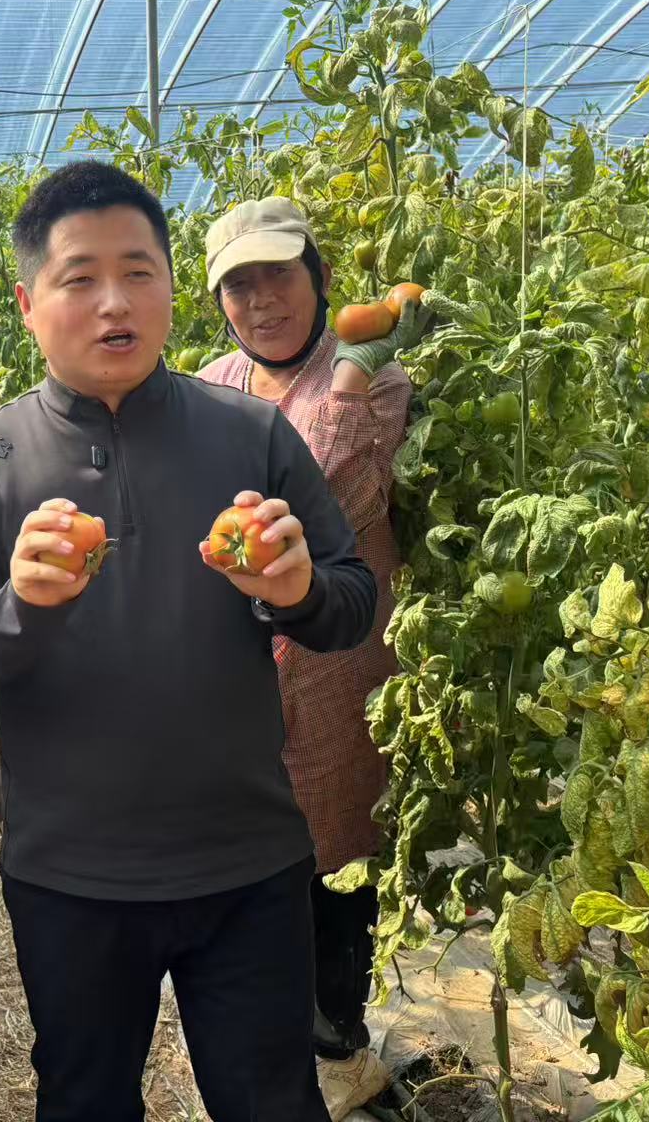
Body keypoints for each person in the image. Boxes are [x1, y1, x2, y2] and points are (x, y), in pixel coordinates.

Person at [0, 161, 378, 1122]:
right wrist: (19, 605)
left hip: (247, 861)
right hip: (70, 875)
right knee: (86, 1102)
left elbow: (351, 602)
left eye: (138, 272)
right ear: (28, 304)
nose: (113, 303)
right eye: (79, 278)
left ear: (168, 289)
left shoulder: (250, 436)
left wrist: (295, 591)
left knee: (272, 1102)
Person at [196, 199, 419, 1094]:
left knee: (338, 848)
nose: (261, 301)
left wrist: (354, 379)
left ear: (319, 278)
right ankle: (271, 1035)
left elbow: (325, 496)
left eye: (278, 276)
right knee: (254, 848)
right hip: (236, 667)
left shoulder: (373, 375)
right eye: (238, 286)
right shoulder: (212, 384)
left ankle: (338, 1043)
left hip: (337, 664)